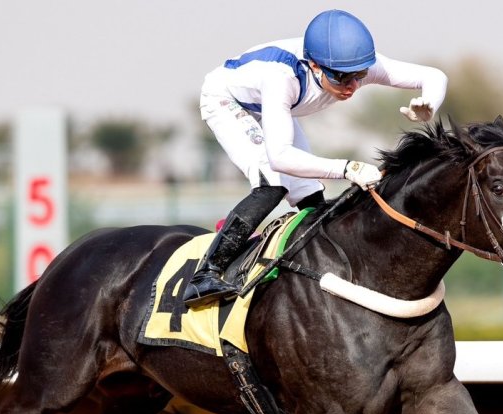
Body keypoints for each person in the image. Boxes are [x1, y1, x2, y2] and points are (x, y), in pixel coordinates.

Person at [183, 9, 448, 307]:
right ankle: (206, 273)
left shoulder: (352, 62)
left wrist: (430, 102)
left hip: (271, 106)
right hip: (229, 101)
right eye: (341, 77)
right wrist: (348, 168)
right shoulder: (281, 77)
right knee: (272, 184)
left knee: (310, 195)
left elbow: (433, 76)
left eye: (359, 76)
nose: (352, 86)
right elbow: (280, 158)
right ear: (313, 65)